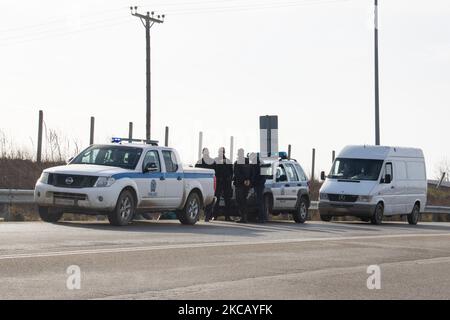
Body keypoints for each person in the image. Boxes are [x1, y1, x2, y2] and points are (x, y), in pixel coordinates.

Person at [195, 148, 215, 222]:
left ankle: (207, 216)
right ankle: (202, 216)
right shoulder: (200, 162)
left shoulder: (211, 162)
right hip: (203, 183)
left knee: (208, 200)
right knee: (202, 200)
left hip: (207, 183)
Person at [213, 147, 233, 221]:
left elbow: (231, 172)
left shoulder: (228, 161)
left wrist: (229, 179)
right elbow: (213, 171)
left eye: (222, 152)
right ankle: (214, 215)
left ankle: (227, 216)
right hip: (219, 182)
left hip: (226, 182)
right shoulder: (215, 160)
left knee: (227, 200)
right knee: (216, 199)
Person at [234, 149, 253, 223]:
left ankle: (243, 217)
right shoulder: (248, 162)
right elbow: (252, 172)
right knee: (244, 201)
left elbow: (237, 174)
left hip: (240, 184)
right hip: (247, 184)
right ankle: (244, 217)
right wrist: (248, 180)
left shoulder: (237, 162)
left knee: (239, 200)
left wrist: (244, 180)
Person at [251, 152, 267, 223]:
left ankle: (262, 218)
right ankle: (262, 218)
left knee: (259, 202)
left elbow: (257, 176)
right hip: (259, 185)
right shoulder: (260, 164)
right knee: (260, 202)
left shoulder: (256, 164)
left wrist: (254, 183)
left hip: (258, 186)